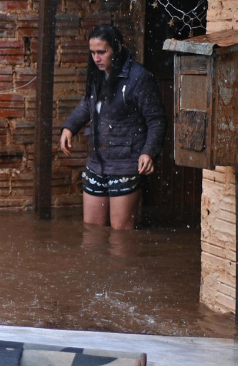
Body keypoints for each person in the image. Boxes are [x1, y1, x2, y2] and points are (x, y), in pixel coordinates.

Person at [60, 24, 166, 230]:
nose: (97, 58)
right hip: (96, 162)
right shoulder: (97, 73)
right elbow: (88, 103)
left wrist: (149, 152)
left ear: (117, 48)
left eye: (102, 52)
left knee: (122, 235)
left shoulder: (139, 78)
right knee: (92, 232)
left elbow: (157, 119)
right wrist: (70, 127)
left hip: (125, 162)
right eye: (93, 53)